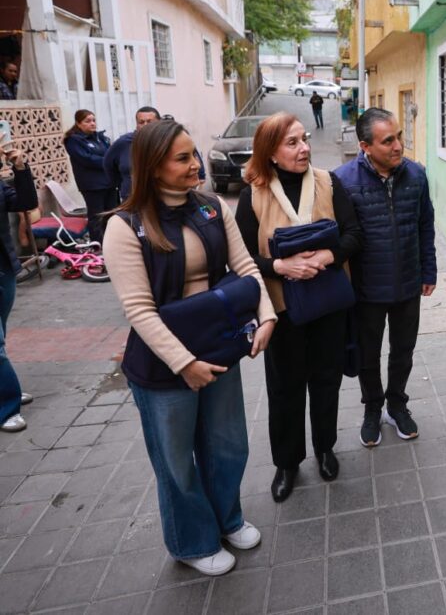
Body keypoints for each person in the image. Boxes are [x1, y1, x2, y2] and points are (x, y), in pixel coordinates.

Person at [104, 119, 277, 575]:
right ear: (152, 166)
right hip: (163, 368)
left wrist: (267, 315)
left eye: (194, 154)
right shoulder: (125, 226)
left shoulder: (212, 206)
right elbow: (139, 310)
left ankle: (227, 519)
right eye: (182, 159)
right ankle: (193, 543)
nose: (195, 164)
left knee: (228, 446)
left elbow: (245, 268)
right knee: (177, 462)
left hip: (218, 350)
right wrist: (185, 364)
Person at [235, 112, 362, 502]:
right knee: (285, 388)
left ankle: (325, 448)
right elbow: (240, 257)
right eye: (292, 143)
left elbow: (354, 234)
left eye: (304, 139)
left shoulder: (328, 182)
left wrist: (327, 256)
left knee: (326, 380)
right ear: (270, 153)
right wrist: (280, 266)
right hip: (282, 310)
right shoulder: (253, 195)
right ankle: (287, 463)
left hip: (328, 304)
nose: (304, 148)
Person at [334, 108, 436, 447]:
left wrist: (428, 270)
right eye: (388, 140)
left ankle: (397, 405)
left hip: (408, 282)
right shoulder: (343, 181)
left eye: (399, 136)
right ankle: (372, 409)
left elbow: (425, 225)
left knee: (403, 351)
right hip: (365, 289)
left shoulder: (416, 175)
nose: (398, 146)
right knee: (368, 354)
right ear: (365, 146)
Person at [0, 145, 38, 433]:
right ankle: (7, 406)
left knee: (1, 333)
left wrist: (20, 167)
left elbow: (26, 202)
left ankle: (4, 388)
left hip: (4, 269)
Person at [63, 110, 116, 244]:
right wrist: (108, 161)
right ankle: (98, 245)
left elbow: (111, 153)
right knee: (97, 217)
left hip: (109, 182)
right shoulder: (73, 140)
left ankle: (113, 243)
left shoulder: (100, 137)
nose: (92, 123)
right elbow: (87, 159)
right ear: (78, 124)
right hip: (92, 185)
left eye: (93, 120)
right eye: (87, 121)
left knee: (112, 215)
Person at [104, 106, 161, 201]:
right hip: (131, 199)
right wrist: (122, 184)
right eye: (141, 122)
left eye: (149, 122)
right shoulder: (124, 142)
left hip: (161, 198)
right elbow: (108, 165)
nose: (145, 125)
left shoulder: (168, 142)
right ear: (136, 125)